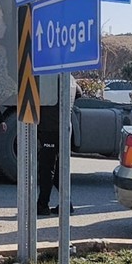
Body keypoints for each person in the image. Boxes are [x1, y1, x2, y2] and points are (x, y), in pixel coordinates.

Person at [36, 79, 82, 217]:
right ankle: (66, 204)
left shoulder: (51, 77)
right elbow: (79, 93)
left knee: (46, 168)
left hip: (50, 128)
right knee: (57, 170)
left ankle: (43, 204)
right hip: (64, 128)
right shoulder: (70, 79)